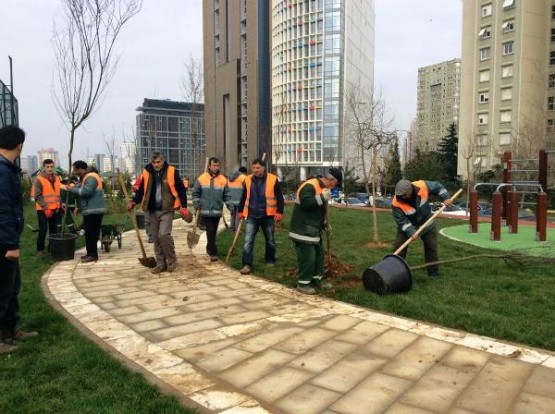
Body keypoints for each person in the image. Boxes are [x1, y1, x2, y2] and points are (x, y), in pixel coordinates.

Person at [0, 126, 38, 353]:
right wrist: (11, 245)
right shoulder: (3, 172)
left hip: (6, 238)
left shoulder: (7, 169)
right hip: (3, 242)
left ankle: (11, 330)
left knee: (12, 286)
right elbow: (2, 210)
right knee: (3, 289)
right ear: (20, 146)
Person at [129, 152, 188, 274]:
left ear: (163, 161)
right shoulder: (147, 172)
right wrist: (134, 202)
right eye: (154, 162)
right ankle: (160, 263)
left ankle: (171, 261)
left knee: (164, 235)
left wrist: (184, 206)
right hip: (152, 210)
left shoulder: (172, 171)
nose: (156, 165)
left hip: (167, 208)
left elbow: (181, 189)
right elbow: (141, 191)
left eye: (158, 162)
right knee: (156, 238)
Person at [289, 167, 342, 294]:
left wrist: (324, 224)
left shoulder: (322, 188)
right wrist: (322, 197)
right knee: (309, 257)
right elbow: (306, 204)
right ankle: (303, 284)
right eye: (336, 184)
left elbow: (318, 210)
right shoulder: (310, 186)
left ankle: (317, 280)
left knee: (319, 255)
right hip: (302, 229)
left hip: (313, 230)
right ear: (331, 180)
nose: (334, 187)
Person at [391, 179, 454, 279]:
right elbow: (401, 220)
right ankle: (393, 271)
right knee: (399, 248)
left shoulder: (422, 186)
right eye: (399, 195)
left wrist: (446, 197)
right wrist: (411, 231)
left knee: (431, 247)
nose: (401, 197)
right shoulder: (396, 203)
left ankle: (433, 273)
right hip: (408, 223)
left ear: (410, 189)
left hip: (426, 221)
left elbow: (438, 186)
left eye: (404, 194)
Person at [237, 158, 285, 275]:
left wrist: (279, 212)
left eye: (258, 168)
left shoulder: (273, 179)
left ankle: (270, 259)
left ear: (263, 168)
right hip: (252, 215)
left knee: (270, 240)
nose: (255, 170)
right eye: (254, 168)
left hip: (267, 215)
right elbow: (244, 196)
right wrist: (240, 211)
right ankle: (247, 264)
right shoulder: (248, 179)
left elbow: (279, 197)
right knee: (248, 241)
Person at [62, 161, 107, 263]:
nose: (74, 172)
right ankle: (89, 253)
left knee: (91, 233)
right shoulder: (86, 177)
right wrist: (80, 207)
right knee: (89, 232)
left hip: (94, 210)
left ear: (80, 169)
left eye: (75, 169)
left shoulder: (91, 177)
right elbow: (80, 188)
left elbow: (86, 191)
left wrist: (71, 190)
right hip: (90, 209)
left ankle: (93, 255)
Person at [192, 157, 233, 262]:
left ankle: (209, 248)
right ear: (209, 166)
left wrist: (230, 206)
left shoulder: (223, 180)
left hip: (217, 211)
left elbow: (227, 195)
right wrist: (196, 204)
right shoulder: (201, 178)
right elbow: (196, 192)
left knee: (213, 232)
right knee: (210, 230)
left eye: (217, 165)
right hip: (205, 211)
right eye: (214, 165)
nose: (215, 167)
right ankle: (213, 253)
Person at [34, 159, 62, 257]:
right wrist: (45, 208)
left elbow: (58, 194)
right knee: (43, 229)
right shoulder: (39, 179)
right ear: (44, 167)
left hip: (54, 208)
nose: (50, 169)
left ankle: (52, 248)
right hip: (43, 209)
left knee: (54, 230)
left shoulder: (57, 178)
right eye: (47, 167)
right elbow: (37, 196)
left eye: (51, 166)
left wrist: (60, 206)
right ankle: (40, 250)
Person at [132, 175, 153, 243]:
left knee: (157, 220)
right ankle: (151, 236)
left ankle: (158, 236)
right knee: (148, 221)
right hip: (146, 203)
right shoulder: (142, 176)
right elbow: (136, 188)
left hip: (159, 203)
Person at [228, 166, 247, 232]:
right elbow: (246, 189)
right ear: (244, 172)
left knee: (232, 214)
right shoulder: (243, 177)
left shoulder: (230, 177)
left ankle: (231, 228)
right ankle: (237, 229)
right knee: (238, 214)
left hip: (230, 199)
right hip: (239, 199)